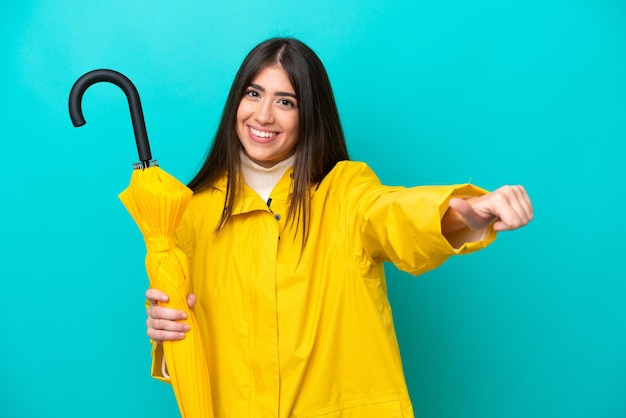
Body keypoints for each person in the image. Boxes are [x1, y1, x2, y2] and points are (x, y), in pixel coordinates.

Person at [145, 37, 533, 417]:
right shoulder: (190, 216)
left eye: (286, 102)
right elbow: (188, 352)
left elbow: (391, 214)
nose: (263, 116)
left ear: (310, 114)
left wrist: (461, 213)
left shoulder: (344, 192)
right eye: (253, 94)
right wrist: (167, 335)